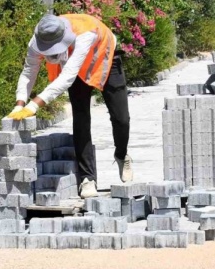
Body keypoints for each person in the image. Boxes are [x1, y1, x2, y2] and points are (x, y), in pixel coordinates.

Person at [9, 14, 133, 198]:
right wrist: (19, 104)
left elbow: (67, 76)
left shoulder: (85, 35)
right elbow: (29, 72)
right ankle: (87, 179)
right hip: (74, 68)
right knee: (81, 118)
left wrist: (34, 106)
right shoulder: (38, 40)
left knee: (121, 117)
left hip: (105, 57)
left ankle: (122, 155)